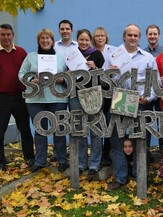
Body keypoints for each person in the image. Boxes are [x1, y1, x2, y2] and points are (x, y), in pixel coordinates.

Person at [107, 24, 158, 191]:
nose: (132, 38)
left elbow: (156, 83)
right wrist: (109, 72)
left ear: (139, 37)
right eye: (129, 35)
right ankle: (120, 177)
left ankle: (139, 174)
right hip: (121, 99)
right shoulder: (113, 56)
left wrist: (148, 98)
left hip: (140, 103)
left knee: (140, 140)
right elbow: (103, 80)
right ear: (124, 36)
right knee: (117, 140)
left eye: (136, 35)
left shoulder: (148, 58)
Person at [0, 24, 35, 172]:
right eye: (3, 34)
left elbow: (28, 73)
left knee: (25, 130)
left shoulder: (21, 52)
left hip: (20, 96)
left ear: (13, 35)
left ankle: (30, 158)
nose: (6, 37)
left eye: (8, 34)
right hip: (0, 98)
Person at [18, 28, 69, 173]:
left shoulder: (61, 57)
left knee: (59, 129)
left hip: (57, 97)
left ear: (53, 41)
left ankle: (61, 159)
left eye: (48, 38)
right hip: (35, 99)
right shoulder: (31, 57)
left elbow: (69, 75)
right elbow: (21, 73)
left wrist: (62, 78)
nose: (45, 41)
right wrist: (31, 80)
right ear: (39, 41)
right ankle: (40, 161)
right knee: (40, 131)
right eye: (42, 38)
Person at [69, 29, 105, 177]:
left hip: (93, 96)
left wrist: (94, 68)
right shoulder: (72, 56)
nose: (84, 42)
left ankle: (95, 164)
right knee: (79, 131)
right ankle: (81, 163)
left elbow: (103, 77)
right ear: (77, 40)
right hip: (76, 96)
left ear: (90, 40)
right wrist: (69, 73)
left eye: (86, 40)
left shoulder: (97, 54)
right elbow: (66, 75)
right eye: (81, 40)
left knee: (95, 131)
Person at [51, 19, 78, 163]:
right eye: (62, 29)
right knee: (59, 122)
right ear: (59, 30)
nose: (65, 31)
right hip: (59, 88)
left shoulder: (78, 46)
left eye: (67, 28)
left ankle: (75, 152)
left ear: (72, 31)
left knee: (75, 121)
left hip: (75, 89)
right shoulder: (53, 47)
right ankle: (58, 152)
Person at [92, 27, 116, 167]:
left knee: (109, 122)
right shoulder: (90, 52)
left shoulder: (113, 50)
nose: (100, 38)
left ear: (106, 37)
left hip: (110, 90)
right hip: (95, 90)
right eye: (97, 36)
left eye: (102, 35)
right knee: (97, 123)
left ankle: (107, 154)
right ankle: (97, 155)